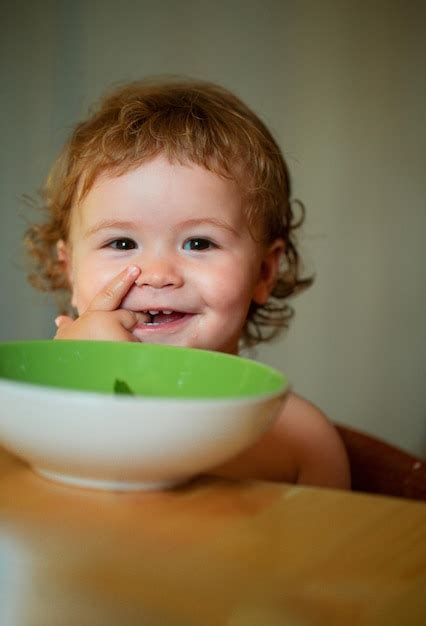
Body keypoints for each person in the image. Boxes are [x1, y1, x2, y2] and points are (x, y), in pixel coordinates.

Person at [25, 78, 351, 489]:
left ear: (264, 273)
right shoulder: (30, 411)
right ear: (69, 271)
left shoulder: (301, 440)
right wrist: (69, 376)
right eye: (122, 242)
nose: (160, 274)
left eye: (199, 242)